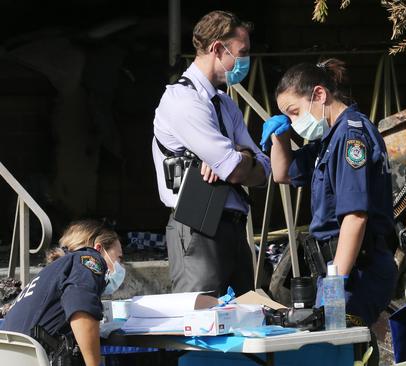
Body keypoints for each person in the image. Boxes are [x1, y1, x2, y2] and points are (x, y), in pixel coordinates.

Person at [260, 59, 397, 328]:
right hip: (338, 269)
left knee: (342, 350)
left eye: (294, 112)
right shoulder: (328, 140)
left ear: (319, 95)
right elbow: (283, 173)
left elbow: (355, 215)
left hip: (355, 271)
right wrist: (280, 136)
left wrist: (336, 284)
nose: (294, 121)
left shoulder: (350, 136)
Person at [152, 10, 270, 294]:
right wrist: (239, 160)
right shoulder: (182, 100)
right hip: (198, 225)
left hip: (233, 224)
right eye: (242, 52)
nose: (245, 61)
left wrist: (243, 156)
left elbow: (265, 170)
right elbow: (234, 170)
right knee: (200, 320)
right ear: (218, 49)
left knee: (246, 317)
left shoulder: (226, 104)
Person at [1, 220, 124, 366]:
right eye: (119, 257)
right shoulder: (88, 258)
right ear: (99, 248)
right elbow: (81, 306)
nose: (120, 265)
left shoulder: (50, 272)